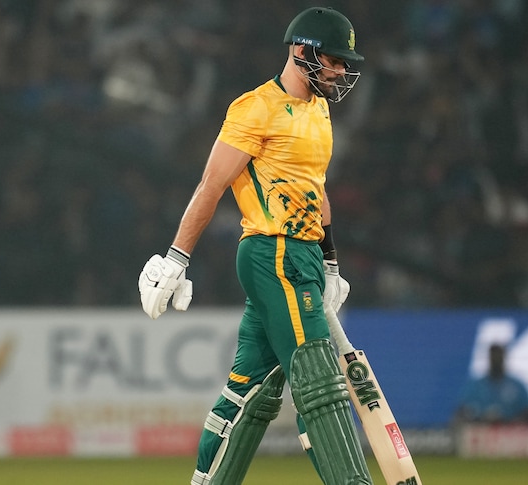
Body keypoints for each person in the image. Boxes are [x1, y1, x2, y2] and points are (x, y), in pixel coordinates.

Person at [138, 7, 371, 485]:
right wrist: (177, 258)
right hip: (274, 253)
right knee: (318, 379)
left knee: (250, 390)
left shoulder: (320, 109)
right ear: (302, 52)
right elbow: (211, 184)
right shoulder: (255, 107)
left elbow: (315, 189)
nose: (341, 71)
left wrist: (330, 264)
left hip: (302, 255)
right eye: (334, 60)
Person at [454, 343, 528, 425]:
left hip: (509, 430)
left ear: (504, 358)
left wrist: (507, 422)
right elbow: (461, 413)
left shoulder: (516, 387)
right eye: (494, 356)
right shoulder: (475, 387)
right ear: (489, 358)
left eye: (499, 356)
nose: (496, 360)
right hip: (480, 429)